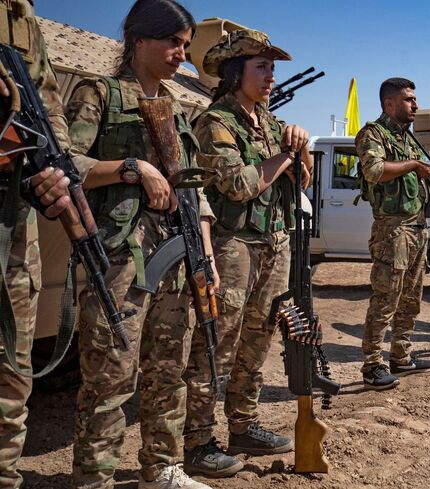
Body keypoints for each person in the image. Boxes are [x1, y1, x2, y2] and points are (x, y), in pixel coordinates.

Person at [64, 1, 215, 487]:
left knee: (168, 370)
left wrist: (205, 253)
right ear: (139, 40)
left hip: (175, 256)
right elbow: (64, 165)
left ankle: (161, 469)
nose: (180, 54)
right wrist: (132, 168)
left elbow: (193, 190)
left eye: (186, 45)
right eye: (173, 42)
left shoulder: (174, 107)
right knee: (110, 375)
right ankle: (94, 479)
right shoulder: (101, 94)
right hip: (120, 261)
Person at [182, 28, 313, 477]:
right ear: (237, 73)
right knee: (215, 344)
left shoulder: (272, 123)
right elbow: (237, 185)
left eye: (273, 68)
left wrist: (301, 146)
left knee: (259, 339)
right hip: (232, 245)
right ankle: (197, 441)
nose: (271, 76)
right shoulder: (215, 122)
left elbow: (303, 181)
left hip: (274, 244)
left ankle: (242, 424)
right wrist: (283, 154)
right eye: (263, 67)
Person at [0, 2, 75, 487]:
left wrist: (54, 167)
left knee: (12, 369)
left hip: (12, 215)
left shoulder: (18, 13)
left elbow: (46, 106)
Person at [354, 77, 430, 390]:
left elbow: (412, 184)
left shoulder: (409, 141)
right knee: (385, 299)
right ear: (389, 103)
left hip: (416, 227)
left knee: (411, 298)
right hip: (391, 230)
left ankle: (401, 356)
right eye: (408, 100)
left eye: (414, 99)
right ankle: (371, 366)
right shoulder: (373, 134)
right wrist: (412, 166)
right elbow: (375, 171)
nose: (415, 105)